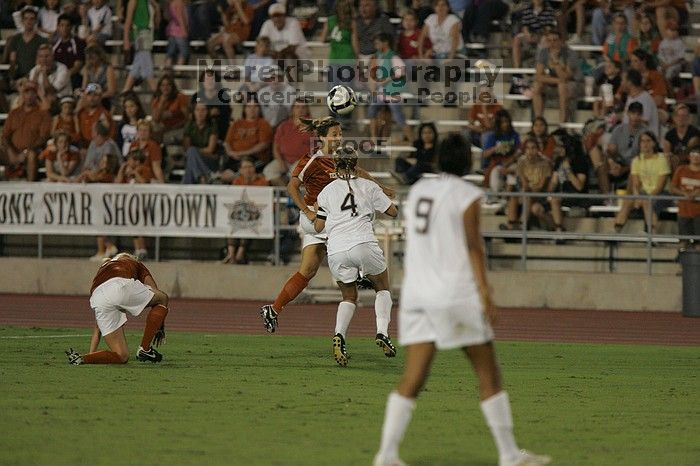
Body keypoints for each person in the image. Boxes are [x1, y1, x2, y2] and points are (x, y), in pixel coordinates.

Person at [373, 133, 551, 466]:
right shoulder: (467, 194)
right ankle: (510, 454)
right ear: (468, 163)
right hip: (453, 294)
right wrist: (485, 292)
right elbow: (473, 246)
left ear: (438, 159)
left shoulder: (421, 191)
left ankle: (386, 455)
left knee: (413, 378)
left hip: (417, 295)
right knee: (488, 373)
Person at [259, 117, 393, 333]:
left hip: (330, 222)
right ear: (321, 138)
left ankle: (273, 309)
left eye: (340, 134)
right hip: (317, 220)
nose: (338, 138)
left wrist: (381, 187)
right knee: (355, 226)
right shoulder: (312, 160)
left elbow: (359, 173)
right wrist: (307, 211)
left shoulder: (341, 157)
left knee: (307, 271)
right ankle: (360, 273)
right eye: (334, 135)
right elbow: (292, 187)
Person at [314, 147, 399, 366]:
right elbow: (393, 212)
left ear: (335, 165)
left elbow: (318, 225)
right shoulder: (369, 186)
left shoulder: (326, 191)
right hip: (363, 243)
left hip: (337, 249)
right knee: (382, 287)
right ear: (356, 164)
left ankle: (339, 336)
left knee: (349, 297)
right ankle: (382, 332)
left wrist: (312, 213)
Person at [65, 253, 169, 365]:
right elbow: (156, 292)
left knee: (122, 355)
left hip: (98, 297)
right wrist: (159, 326)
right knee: (163, 297)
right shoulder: (133, 262)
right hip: (119, 286)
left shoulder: (103, 268)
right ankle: (145, 348)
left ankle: (83, 359)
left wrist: (91, 353)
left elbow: (97, 329)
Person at [614, 131, 671, 234]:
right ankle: (617, 231)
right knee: (628, 201)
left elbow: (660, 187)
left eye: (648, 141)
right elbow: (636, 184)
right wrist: (637, 196)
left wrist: (644, 198)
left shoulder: (661, 159)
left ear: (654, 143)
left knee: (646, 201)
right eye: (642, 141)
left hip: (661, 194)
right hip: (643, 193)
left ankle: (651, 234)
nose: (645, 144)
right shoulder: (636, 160)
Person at [223, 156, 270, 264]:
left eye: (250, 166)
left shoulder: (262, 181)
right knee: (232, 222)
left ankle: (240, 253)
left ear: (254, 168)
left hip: (257, 214)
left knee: (248, 222)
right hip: (240, 213)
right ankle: (231, 254)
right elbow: (234, 200)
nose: (247, 170)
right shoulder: (237, 181)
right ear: (240, 170)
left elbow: (264, 200)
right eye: (244, 167)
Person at [668, 146, 700, 251]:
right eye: (693, 154)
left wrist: (696, 193)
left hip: (698, 213)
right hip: (683, 212)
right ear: (689, 156)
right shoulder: (681, 169)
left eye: (698, 154)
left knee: (698, 245)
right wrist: (684, 193)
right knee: (682, 244)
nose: (696, 157)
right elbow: (672, 188)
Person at [182, 102, 219, 184]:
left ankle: (186, 186)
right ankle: (205, 176)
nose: (200, 113)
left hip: (209, 160)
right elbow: (186, 149)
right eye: (197, 110)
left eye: (203, 110)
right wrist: (195, 152)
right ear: (194, 112)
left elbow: (210, 149)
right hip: (195, 159)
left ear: (207, 112)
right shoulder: (189, 125)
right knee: (191, 154)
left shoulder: (212, 125)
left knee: (192, 155)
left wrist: (195, 152)